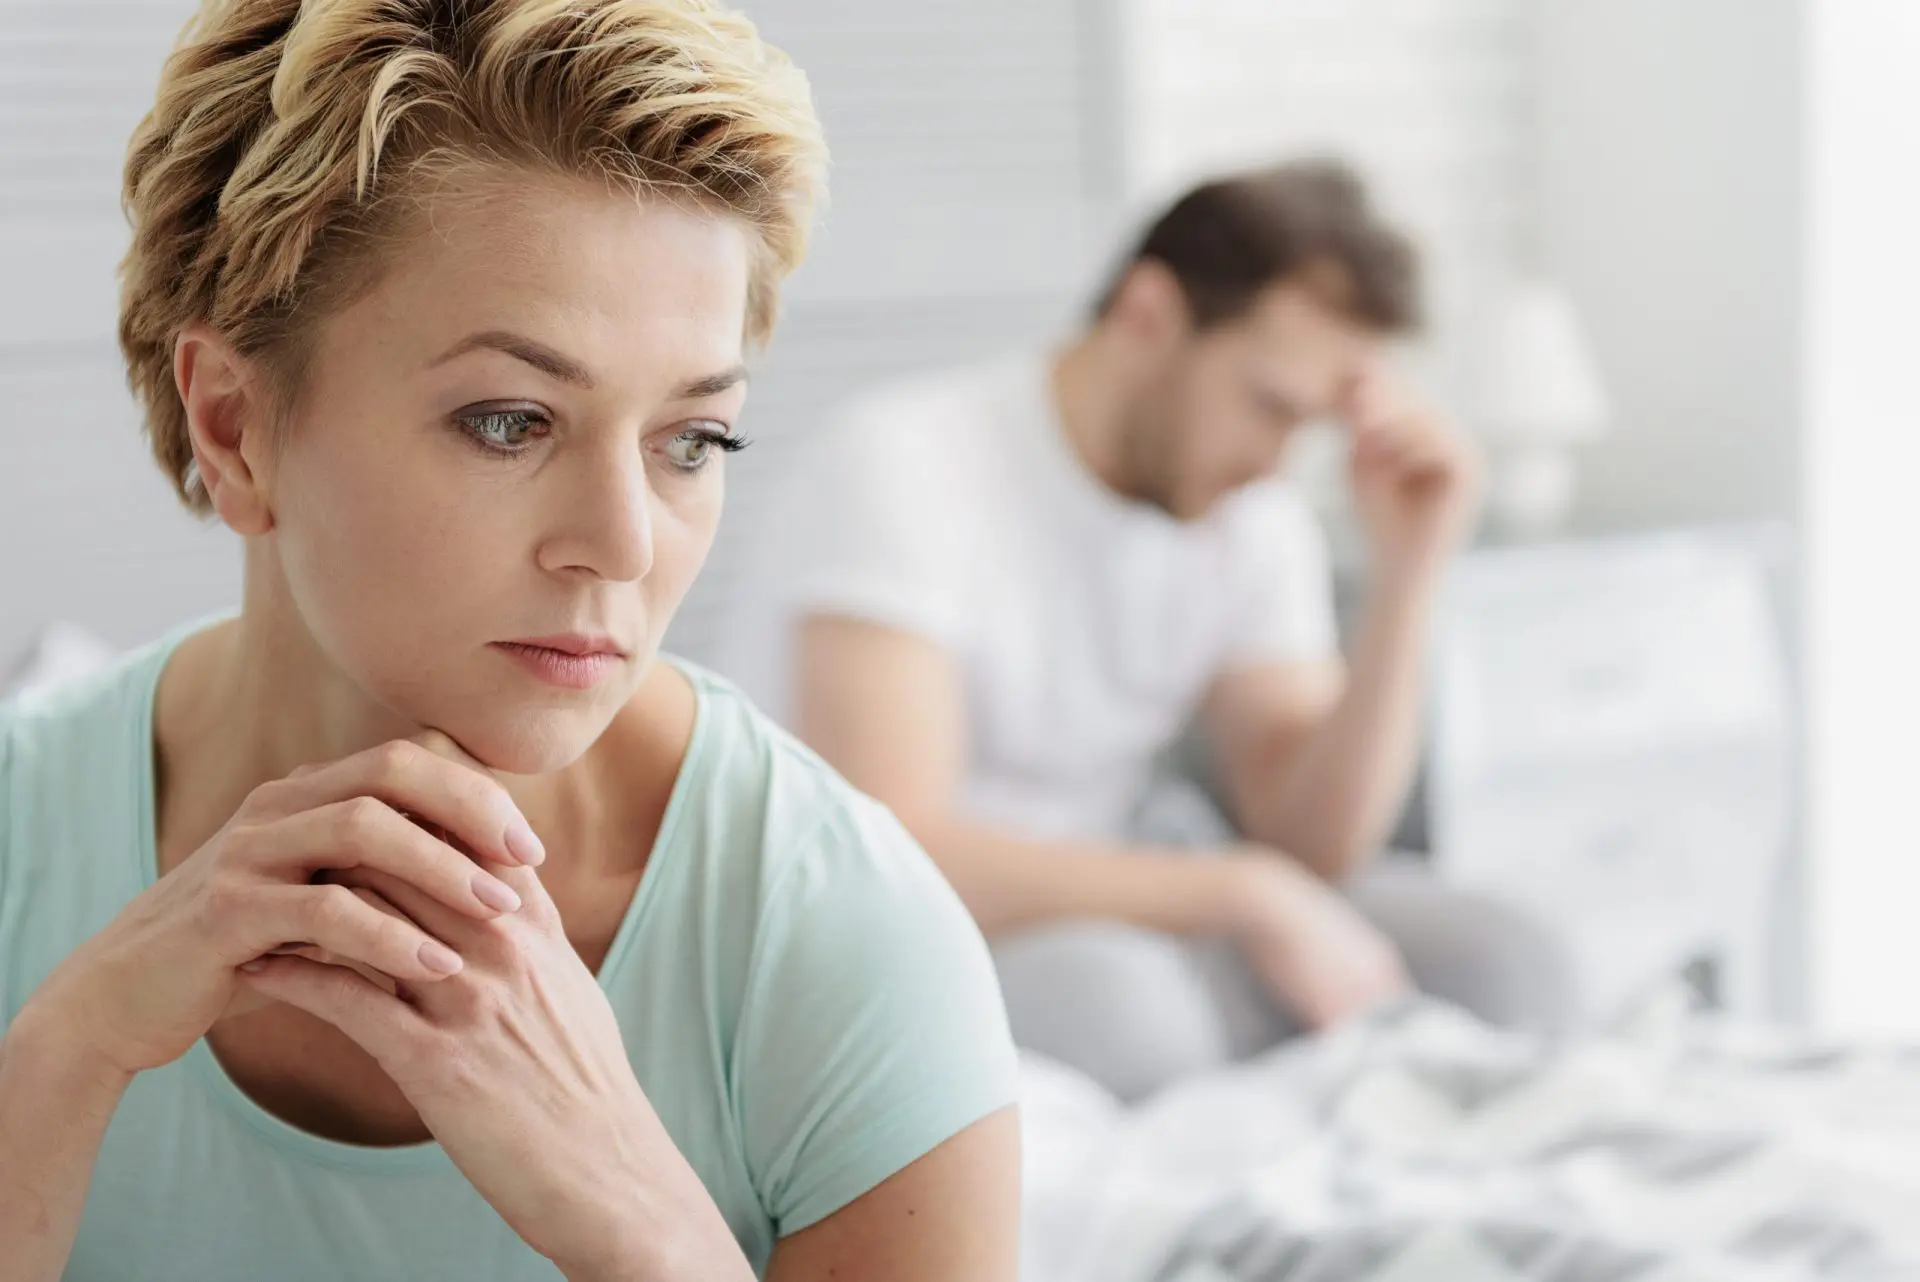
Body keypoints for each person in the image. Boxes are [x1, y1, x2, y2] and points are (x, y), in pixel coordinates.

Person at [0, 3, 1019, 1279]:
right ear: (235, 426)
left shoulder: (832, 939)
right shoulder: (17, 846)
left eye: (690, 440)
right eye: (510, 421)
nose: (625, 542)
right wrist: (59, 1058)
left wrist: (645, 1228)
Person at [723, 160, 1569, 1102]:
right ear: (1149, 315)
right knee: (1126, 1009)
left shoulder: (1250, 511)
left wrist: (1410, 571)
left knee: (1505, 963)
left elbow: (1312, 845)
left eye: (1312, 426)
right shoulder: (906, 468)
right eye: (1269, 406)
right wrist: (1240, 892)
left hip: (1128, 906)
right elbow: (895, 857)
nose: (1279, 460)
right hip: (903, 933)